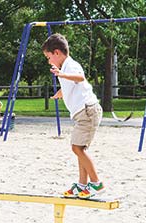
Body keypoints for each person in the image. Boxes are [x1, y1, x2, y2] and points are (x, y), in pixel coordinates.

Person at [42, 33, 104, 199]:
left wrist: (61, 75)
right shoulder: (65, 68)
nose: (48, 61)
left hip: (88, 111)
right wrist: (61, 93)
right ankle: (82, 184)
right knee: (79, 149)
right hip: (82, 113)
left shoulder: (70, 65)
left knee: (77, 148)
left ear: (56, 53)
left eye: (48, 57)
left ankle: (96, 183)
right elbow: (72, 84)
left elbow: (80, 78)